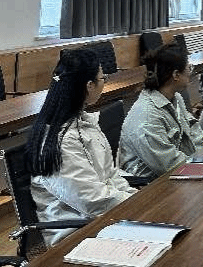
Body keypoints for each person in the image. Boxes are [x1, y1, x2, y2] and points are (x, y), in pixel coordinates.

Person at [26, 49, 136, 245]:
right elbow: (92, 200)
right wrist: (137, 205)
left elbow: (110, 175)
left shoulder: (84, 123)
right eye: (103, 78)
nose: (105, 81)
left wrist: (136, 197)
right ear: (89, 86)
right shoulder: (61, 142)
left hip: (101, 218)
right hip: (75, 234)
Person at [118, 41, 203, 179]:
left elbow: (193, 131)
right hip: (151, 184)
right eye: (189, 68)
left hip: (178, 170)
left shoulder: (175, 98)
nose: (191, 72)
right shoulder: (147, 117)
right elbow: (168, 165)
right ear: (176, 75)